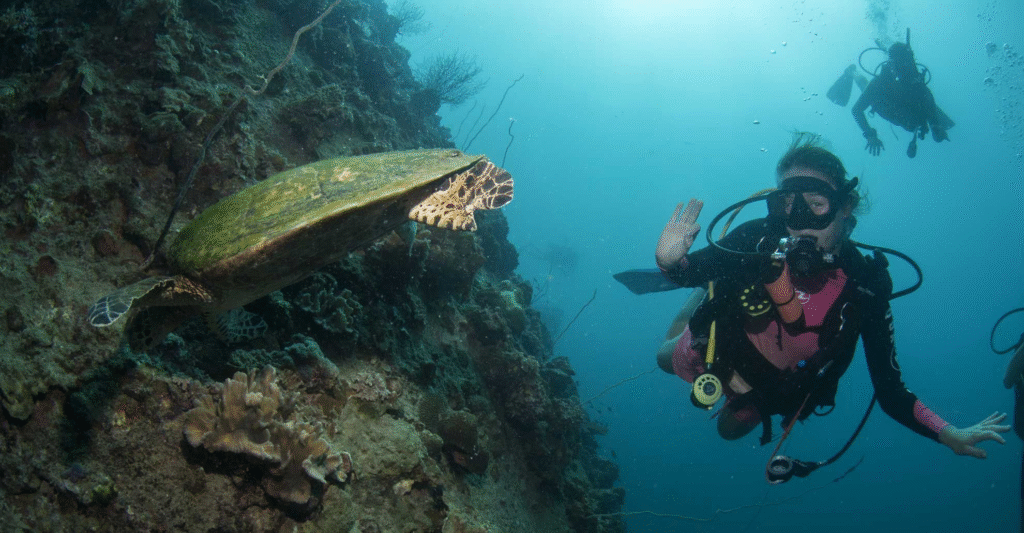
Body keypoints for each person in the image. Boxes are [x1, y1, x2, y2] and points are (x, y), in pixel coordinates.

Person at [650, 134, 1007, 459]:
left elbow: (891, 391)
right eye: (789, 204)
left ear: (845, 207)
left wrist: (947, 432)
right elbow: (689, 269)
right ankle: (702, 297)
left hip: (767, 389)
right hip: (715, 346)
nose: (801, 219)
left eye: (816, 204)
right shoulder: (758, 239)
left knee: (727, 432)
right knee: (663, 358)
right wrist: (669, 262)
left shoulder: (864, 285)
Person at [849, 35, 955, 158]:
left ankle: (877, 55)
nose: (905, 68)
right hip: (880, 105)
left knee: (868, 86)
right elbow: (856, 110)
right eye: (900, 64)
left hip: (907, 117)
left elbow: (929, 105)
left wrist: (935, 126)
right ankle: (852, 72)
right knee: (864, 84)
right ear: (892, 64)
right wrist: (869, 134)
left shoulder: (918, 85)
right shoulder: (879, 83)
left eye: (908, 63)